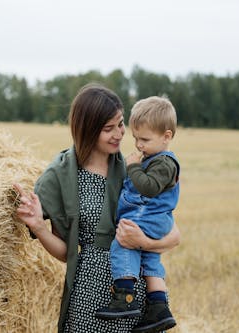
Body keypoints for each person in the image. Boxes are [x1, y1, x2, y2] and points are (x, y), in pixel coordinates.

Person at [13, 83, 180, 333]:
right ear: (88, 130)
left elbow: (174, 236)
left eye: (121, 124)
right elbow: (65, 253)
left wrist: (142, 242)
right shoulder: (61, 177)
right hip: (89, 296)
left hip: (136, 298)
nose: (119, 134)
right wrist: (38, 226)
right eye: (108, 128)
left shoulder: (135, 170)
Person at [95, 96, 180, 333]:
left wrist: (133, 168)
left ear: (167, 136)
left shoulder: (164, 162)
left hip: (147, 217)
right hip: (155, 219)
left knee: (123, 242)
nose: (138, 145)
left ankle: (125, 297)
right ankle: (159, 308)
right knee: (150, 261)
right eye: (135, 138)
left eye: (144, 139)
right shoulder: (156, 157)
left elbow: (150, 187)